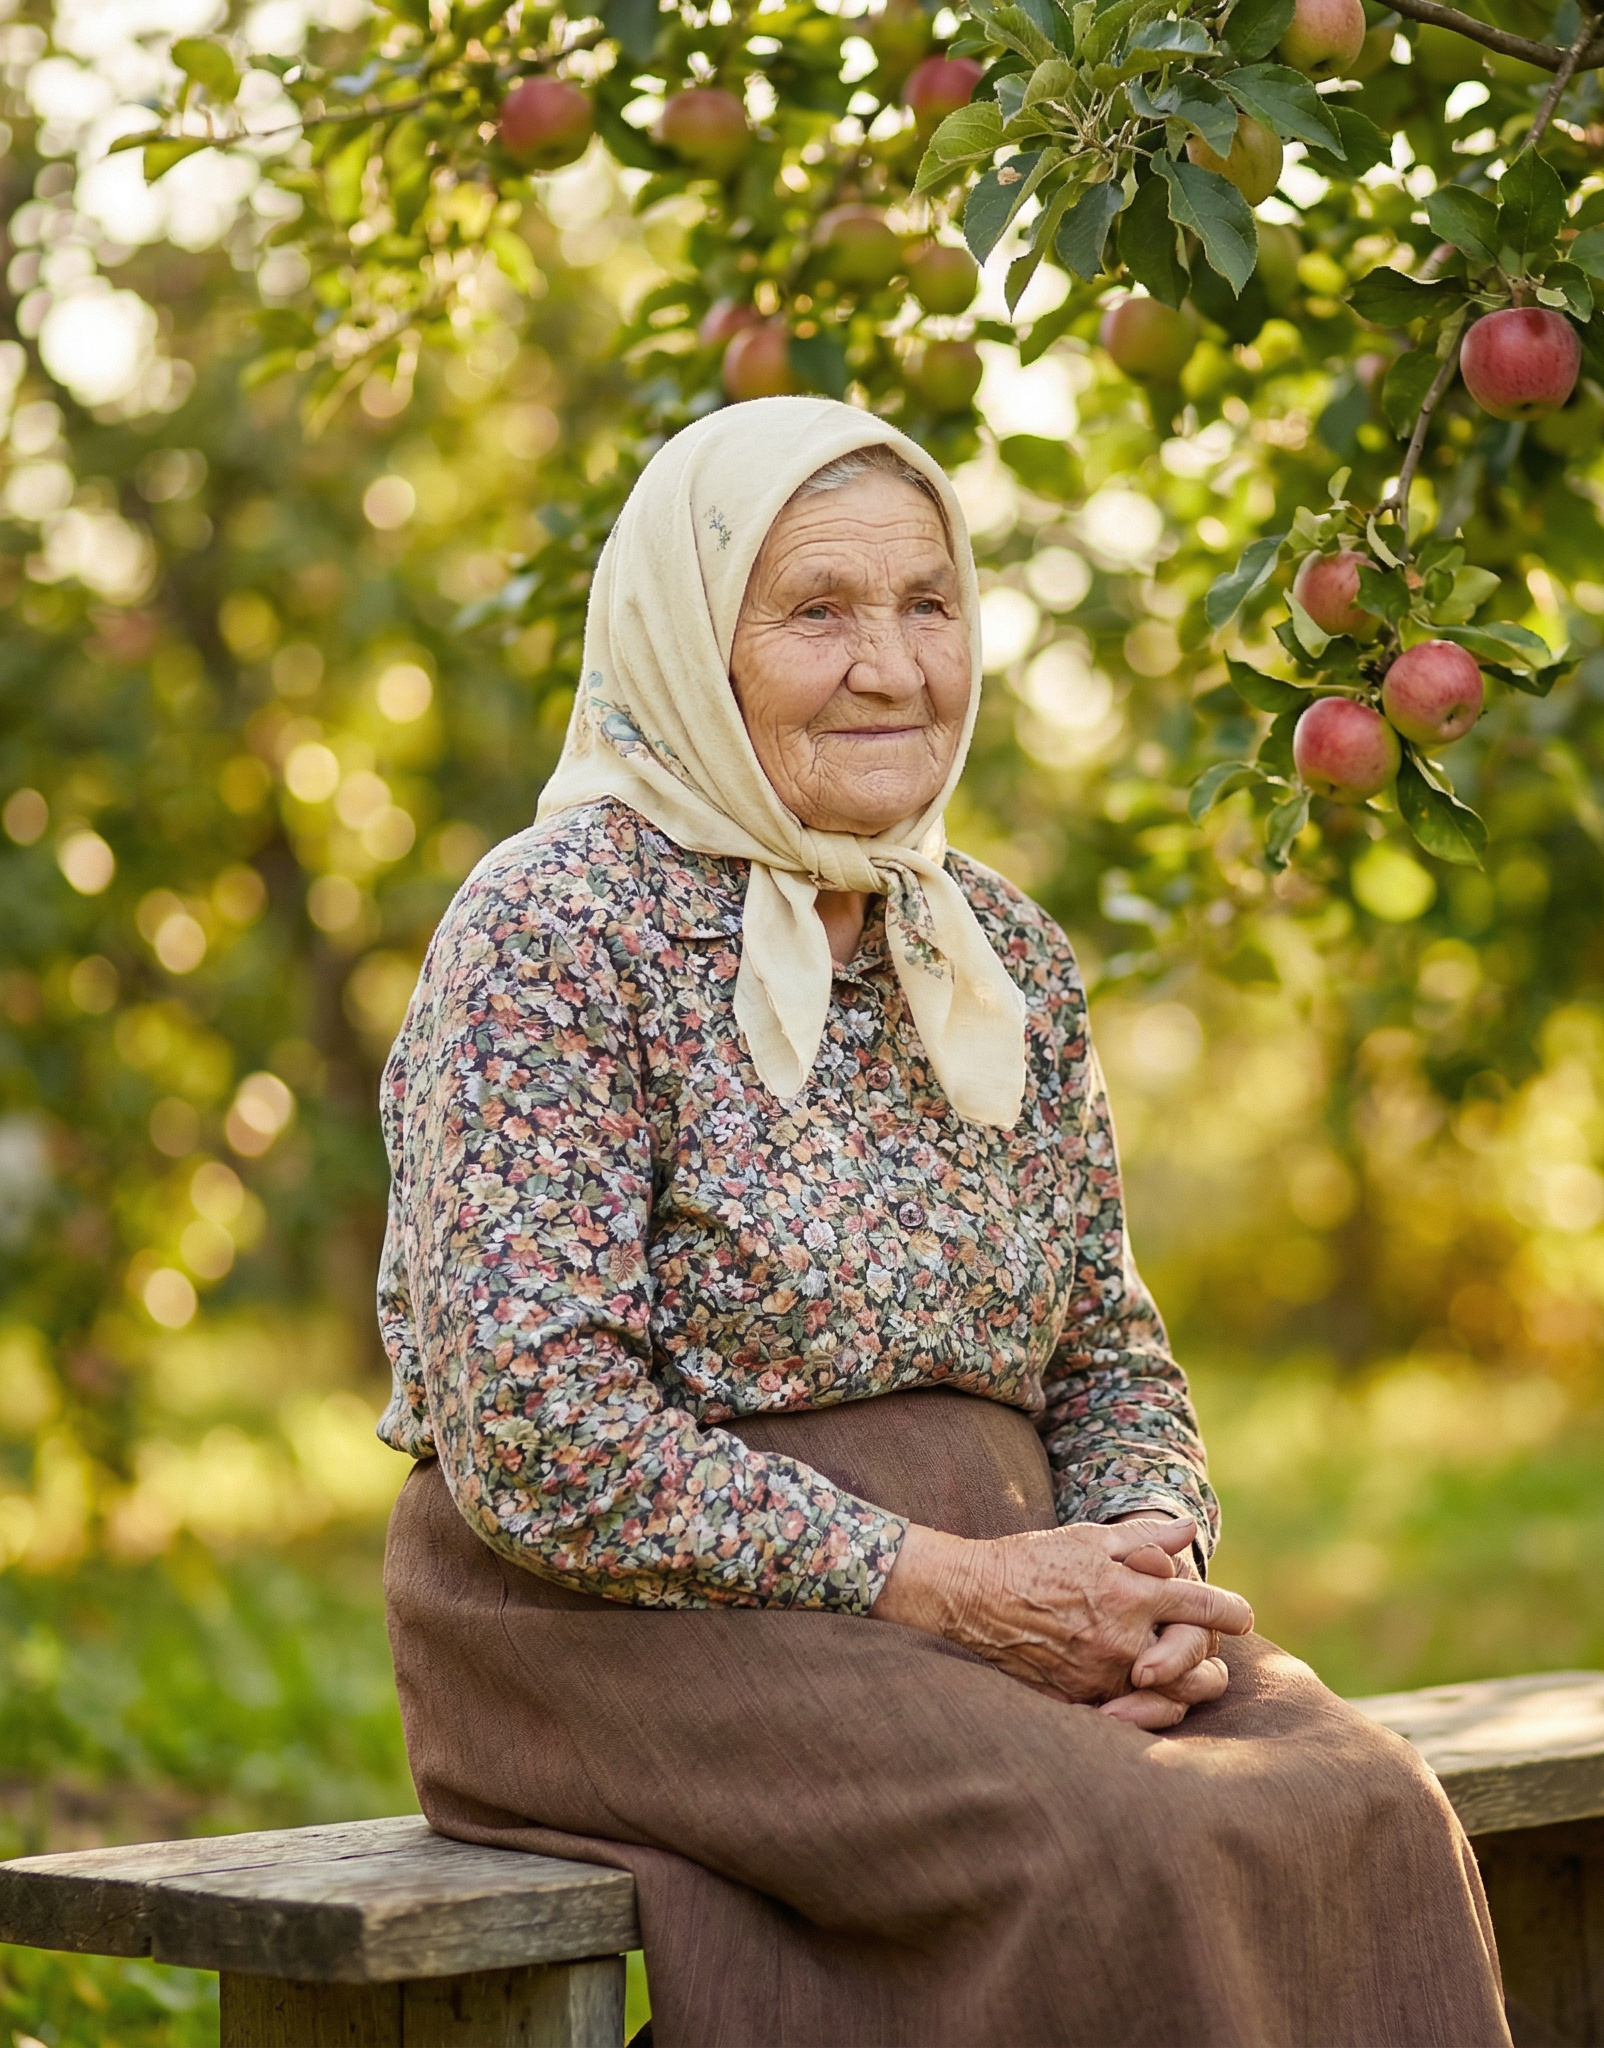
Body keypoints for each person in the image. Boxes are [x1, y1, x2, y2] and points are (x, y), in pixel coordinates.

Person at [375, 395, 1511, 2047]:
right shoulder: (553, 929)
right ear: (694, 641)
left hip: (1014, 1580)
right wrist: (954, 1590)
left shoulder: (999, 951)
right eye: (818, 610)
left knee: (1369, 1806)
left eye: (928, 604)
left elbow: (1110, 1354)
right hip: (615, 1624)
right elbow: (544, 1436)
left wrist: (1146, 1564)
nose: (893, 666)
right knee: (1110, 1848)